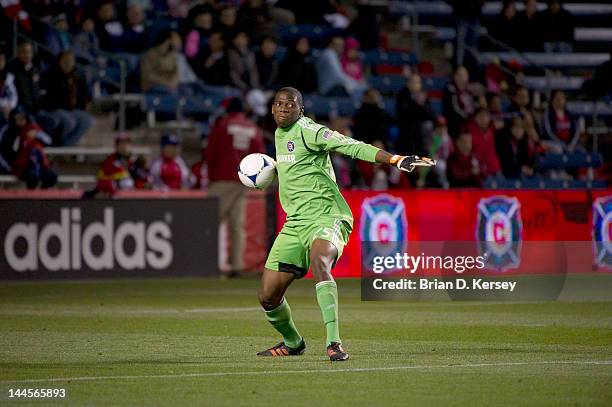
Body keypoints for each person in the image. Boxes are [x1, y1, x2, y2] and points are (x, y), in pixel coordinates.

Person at [256, 87, 435, 361]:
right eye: (278, 104)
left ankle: (334, 342)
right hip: (295, 223)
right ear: (271, 109)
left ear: (300, 110)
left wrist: (394, 159)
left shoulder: (311, 131)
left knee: (320, 259)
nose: (283, 108)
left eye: (290, 104)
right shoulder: (280, 136)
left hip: (329, 215)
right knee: (268, 296)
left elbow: (350, 145)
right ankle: (293, 342)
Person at [206, 97, 264, 275]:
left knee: (209, 221)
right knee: (236, 224)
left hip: (222, 179)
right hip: (242, 180)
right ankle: (237, 265)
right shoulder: (252, 128)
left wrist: (211, 174)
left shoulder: (223, 125)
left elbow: (211, 152)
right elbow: (259, 155)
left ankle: (207, 263)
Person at [40, 50, 93, 146]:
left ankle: (67, 145)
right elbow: (49, 99)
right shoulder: (51, 75)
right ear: (59, 62)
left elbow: (85, 95)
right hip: (54, 109)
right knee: (69, 121)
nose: (68, 64)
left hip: (72, 110)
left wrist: (84, 105)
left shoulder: (78, 76)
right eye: (65, 61)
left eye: (70, 61)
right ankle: (57, 144)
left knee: (88, 120)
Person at [396, 74, 437, 156]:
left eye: (417, 82)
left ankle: (428, 157)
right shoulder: (403, 95)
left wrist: (422, 105)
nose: (415, 84)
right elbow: (404, 115)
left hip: (422, 129)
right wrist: (417, 104)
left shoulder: (423, 95)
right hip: (407, 128)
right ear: (408, 84)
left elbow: (431, 114)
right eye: (412, 82)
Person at [11, 121, 56, 189]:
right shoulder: (21, 139)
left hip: (40, 167)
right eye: (31, 131)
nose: (32, 133)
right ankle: (31, 195)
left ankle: (43, 192)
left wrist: (38, 134)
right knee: (32, 176)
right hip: (25, 167)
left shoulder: (38, 141)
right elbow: (15, 149)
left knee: (51, 176)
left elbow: (48, 140)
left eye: (34, 131)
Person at [443, 66, 477, 138]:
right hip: (457, 124)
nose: (462, 77)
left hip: (472, 122)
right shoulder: (450, 90)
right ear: (454, 76)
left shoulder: (470, 91)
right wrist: (469, 119)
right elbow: (454, 110)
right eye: (460, 75)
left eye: (465, 75)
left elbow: (475, 107)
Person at [468, 108, 501, 177]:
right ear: (475, 118)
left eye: (486, 116)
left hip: (495, 168)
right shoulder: (469, 132)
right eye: (480, 116)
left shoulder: (491, 130)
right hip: (480, 171)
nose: (483, 119)